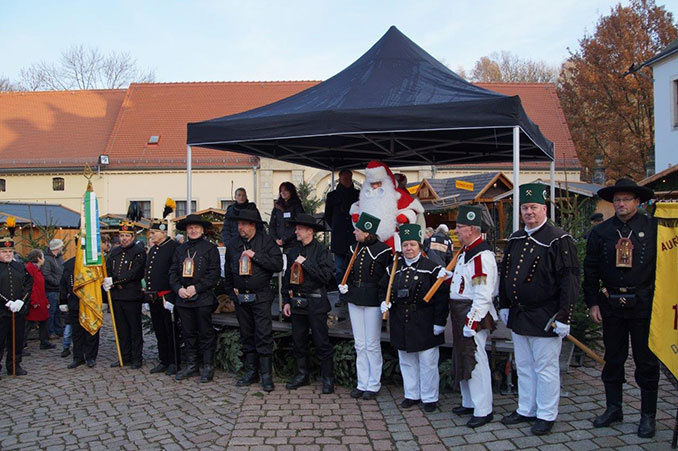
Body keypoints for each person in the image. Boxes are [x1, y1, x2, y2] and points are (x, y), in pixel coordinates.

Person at [498, 183, 579, 436]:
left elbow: (569, 280)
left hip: (546, 315)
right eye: (525, 207)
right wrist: (504, 304)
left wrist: (565, 316)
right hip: (520, 313)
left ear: (544, 208)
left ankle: (546, 413)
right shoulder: (516, 238)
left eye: (534, 207)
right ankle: (526, 408)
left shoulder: (558, 239)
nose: (529, 212)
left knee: (545, 367)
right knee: (523, 365)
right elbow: (506, 274)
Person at [583, 178, 659, 438]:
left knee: (646, 362)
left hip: (644, 305)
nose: (621, 204)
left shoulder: (653, 228)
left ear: (638, 201)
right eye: (617, 200)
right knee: (613, 359)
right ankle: (614, 408)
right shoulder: (601, 231)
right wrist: (592, 302)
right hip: (610, 304)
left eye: (626, 199)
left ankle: (648, 415)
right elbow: (590, 270)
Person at [380, 223, 449, 413]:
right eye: (405, 245)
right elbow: (383, 289)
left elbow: (441, 296)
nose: (408, 249)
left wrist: (439, 321)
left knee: (427, 361)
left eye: (412, 245)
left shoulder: (432, 268)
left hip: (425, 320)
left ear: (420, 246)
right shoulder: (394, 269)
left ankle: (429, 397)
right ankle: (411, 394)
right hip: (401, 319)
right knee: (406, 360)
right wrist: (383, 302)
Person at [443, 205, 497, 428]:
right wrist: (447, 278)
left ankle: (483, 409)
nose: (456, 231)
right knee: (462, 357)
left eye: (460, 227)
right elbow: (464, 284)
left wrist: (472, 320)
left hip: (471, 313)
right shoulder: (466, 253)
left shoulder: (481, 257)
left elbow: (483, 293)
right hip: (460, 312)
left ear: (473, 229)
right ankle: (469, 402)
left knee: (475, 360)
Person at [224, 208, 283, 392]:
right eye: (238, 224)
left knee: (263, 334)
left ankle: (266, 375)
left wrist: (255, 256)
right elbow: (227, 272)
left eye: (243, 224)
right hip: (241, 296)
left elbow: (278, 265)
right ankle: (251, 372)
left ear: (253, 226)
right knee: (246, 334)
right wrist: (232, 295)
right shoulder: (233, 244)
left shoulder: (266, 242)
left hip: (261, 295)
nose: (239, 227)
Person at [338, 212, 391, 400]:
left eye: (357, 230)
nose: (354, 233)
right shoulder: (353, 249)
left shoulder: (384, 251)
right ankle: (362, 383)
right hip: (355, 297)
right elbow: (346, 270)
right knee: (360, 344)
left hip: (373, 300)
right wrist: (344, 286)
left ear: (367, 232)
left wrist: (384, 300)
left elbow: (386, 279)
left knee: (372, 344)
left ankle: (374, 384)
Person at [282, 213, 335, 394]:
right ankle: (302, 374)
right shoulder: (293, 251)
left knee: (321, 342)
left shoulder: (322, 251)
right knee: (298, 341)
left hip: (316, 303)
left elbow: (326, 278)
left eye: (299, 229)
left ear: (309, 231)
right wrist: (286, 300)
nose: (295, 231)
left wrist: (306, 264)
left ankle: (328, 378)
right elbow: (286, 277)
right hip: (297, 302)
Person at [169, 214, 221, 383]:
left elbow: (214, 274)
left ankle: (207, 366)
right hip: (183, 299)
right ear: (186, 230)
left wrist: (196, 288)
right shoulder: (180, 249)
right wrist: (178, 289)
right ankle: (192, 366)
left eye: (196, 228)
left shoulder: (210, 249)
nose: (193, 230)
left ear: (202, 230)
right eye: (190, 228)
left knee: (205, 333)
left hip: (203, 298)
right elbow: (173, 273)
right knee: (188, 333)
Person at [350, 161, 423, 250]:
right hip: (368, 240)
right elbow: (357, 207)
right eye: (372, 184)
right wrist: (356, 215)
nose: (375, 186)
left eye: (378, 183)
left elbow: (412, 209)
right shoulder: (366, 195)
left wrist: (405, 216)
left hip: (390, 238)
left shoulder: (397, 195)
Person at [103, 220, 146, 369]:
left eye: (127, 235)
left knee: (134, 328)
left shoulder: (138, 251)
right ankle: (124, 356)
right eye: (122, 235)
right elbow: (108, 268)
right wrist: (107, 279)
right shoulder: (114, 252)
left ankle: (137, 358)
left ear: (133, 236)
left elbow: (135, 273)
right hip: (116, 296)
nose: (124, 238)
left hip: (131, 296)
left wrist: (114, 281)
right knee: (121, 329)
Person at [145, 218, 180, 376]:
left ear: (164, 232)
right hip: (154, 297)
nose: (151, 235)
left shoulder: (173, 248)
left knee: (170, 331)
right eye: (151, 232)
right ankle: (164, 359)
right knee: (159, 330)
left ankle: (174, 361)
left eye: (154, 232)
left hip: (168, 297)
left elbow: (175, 273)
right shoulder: (154, 249)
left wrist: (173, 296)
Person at [325, 169, 360, 307]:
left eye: (348, 177)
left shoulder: (358, 195)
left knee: (354, 269)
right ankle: (342, 295)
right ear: (339, 178)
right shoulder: (332, 195)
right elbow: (328, 215)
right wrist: (336, 225)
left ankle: (353, 294)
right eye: (344, 177)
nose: (346, 179)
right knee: (339, 269)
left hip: (354, 237)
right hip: (339, 238)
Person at [0, 232, 33, 376]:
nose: (8, 254)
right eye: (4, 251)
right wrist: (6, 302)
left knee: (17, 339)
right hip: (1, 311)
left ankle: (14, 365)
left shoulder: (19, 267)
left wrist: (21, 300)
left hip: (18, 310)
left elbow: (28, 283)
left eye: (10, 251)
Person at [60, 255, 101, 369]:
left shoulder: (94, 262)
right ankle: (78, 357)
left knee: (91, 329)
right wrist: (62, 301)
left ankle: (91, 356)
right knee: (77, 332)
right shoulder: (70, 264)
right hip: (75, 301)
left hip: (91, 301)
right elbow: (63, 283)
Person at [24, 249, 55, 351]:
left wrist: (45, 301)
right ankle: (21, 345)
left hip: (40, 300)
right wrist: (34, 301)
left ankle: (44, 341)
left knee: (44, 322)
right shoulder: (30, 269)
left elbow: (40, 287)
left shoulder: (36, 269)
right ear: (38, 258)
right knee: (27, 324)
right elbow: (31, 287)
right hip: (35, 302)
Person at [270, 182, 305, 251]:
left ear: (291, 191)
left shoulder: (297, 206)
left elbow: (299, 224)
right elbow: (271, 225)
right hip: (277, 244)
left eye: (285, 190)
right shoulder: (277, 207)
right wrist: (276, 239)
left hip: (293, 243)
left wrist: (284, 239)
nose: (283, 193)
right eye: (281, 191)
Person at [42, 239, 64, 338]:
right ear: (57, 248)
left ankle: (59, 330)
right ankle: (50, 332)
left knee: (57, 311)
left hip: (58, 289)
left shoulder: (59, 258)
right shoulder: (47, 259)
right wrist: (56, 282)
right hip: (51, 289)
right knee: (51, 311)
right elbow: (46, 274)